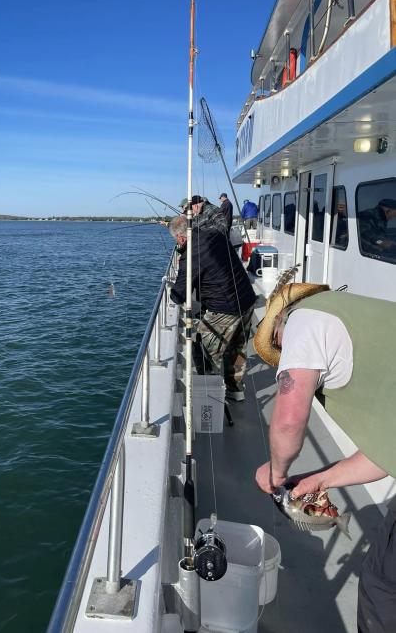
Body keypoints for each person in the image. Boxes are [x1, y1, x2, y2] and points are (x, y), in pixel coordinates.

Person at [253, 282, 396, 632]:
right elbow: (386, 451)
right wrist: (322, 479)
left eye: (279, 350)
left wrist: (275, 471)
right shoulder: (363, 320)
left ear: (278, 329)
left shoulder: (303, 323)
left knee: (383, 587)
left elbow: (288, 420)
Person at [168, 215, 256, 401]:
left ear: (181, 238)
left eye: (177, 239)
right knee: (237, 347)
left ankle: (208, 396)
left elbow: (179, 295)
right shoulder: (215, 234)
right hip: (246, 298)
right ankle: (236, 391)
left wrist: (173, 281)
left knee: (202, 345)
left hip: (224, 307)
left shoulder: (191, 255)